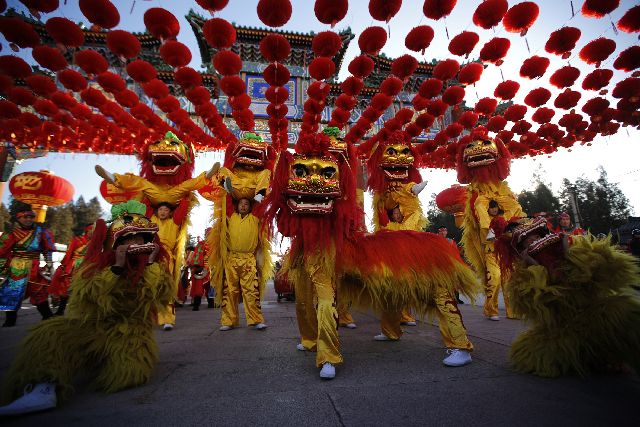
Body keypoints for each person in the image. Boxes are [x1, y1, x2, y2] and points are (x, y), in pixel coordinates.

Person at [0, 200, 173, 416]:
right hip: (93, 327)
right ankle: (42, 387)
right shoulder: (95, 267)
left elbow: (160, 296)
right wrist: (117, 269)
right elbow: (91, 299)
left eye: (140, 238)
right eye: (127, 238)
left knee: (129, 374)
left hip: (130, 333)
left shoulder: (155, 267)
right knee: (50, 334)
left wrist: (151, 265)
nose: (134, 242)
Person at [0, 208, 56, 327]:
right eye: (25, 217)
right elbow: (3, 251)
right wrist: (4, 266)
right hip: (17, 268)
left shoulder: (42, 232)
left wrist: (50, 264)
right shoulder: (12, 233)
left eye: (31, 217)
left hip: (34, 268)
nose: (28, 219)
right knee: (12, 293)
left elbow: (47, 250)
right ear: (19, 218)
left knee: (39, 291)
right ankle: (10, 321)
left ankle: (48, 317)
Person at [219, 198, 267, 331]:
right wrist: (228, 187)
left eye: (246, 204)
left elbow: (260, 204)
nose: (243, 206)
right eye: (241, 204)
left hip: (248, 259)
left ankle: (256, 320)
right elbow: (227, 200)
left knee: (251, 290)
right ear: (237, 206)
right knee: (229, 291)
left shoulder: (255, 217)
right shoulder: (231, 216)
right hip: (232, 258)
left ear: (250, 207)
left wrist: (258, 195)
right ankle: (229, 321)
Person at [49, 224, 93, 316]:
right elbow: (69, 253)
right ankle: (60, 310)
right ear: (87, 231)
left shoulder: (95, 243)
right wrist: (64, 265)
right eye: (91, 230)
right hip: (73, 267)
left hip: (87, 267)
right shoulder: (77, 240)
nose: (93, 232)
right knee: (66, 289)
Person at [151, 202, 182, 331]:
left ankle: (167, 319)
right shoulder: (152, 221)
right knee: (152, 286)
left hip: (166, 257)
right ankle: (153, 318)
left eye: (166, 209)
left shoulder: (174, 221)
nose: (162, 212)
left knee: (166, 285)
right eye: (160, 209)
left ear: (170, 212)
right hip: (151, 255)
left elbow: (184, 206)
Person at [437, 226, 465, 304]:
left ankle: (456, 298)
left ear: (447, 232)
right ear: (438, 232)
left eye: (444, 231)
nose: (443, 233)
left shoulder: (450, 241)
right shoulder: (435, 240)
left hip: (450, 263)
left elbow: (455, 252)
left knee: (454, 281)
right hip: (439, 264)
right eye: (441, 231)